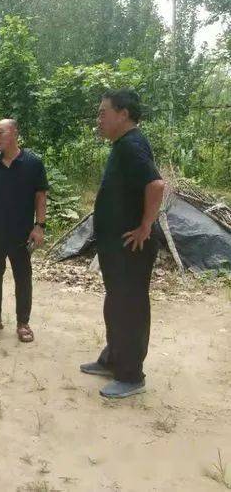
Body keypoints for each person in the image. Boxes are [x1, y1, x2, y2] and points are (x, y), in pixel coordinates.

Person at [80, 89, 165, 398]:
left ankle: (131, 376)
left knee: (130, 307)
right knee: (116, 302)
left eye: (103, 113)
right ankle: (113, 359)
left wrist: (146, 225)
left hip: (132, 246)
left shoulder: (132, 146)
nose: (98, 119)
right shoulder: (122, 145)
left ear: (123, 114)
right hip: (117, 245)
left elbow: (156, 185)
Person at [0, 119, 48, 343]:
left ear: (15, 132)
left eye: (0, 132)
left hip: (22, 233)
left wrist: (39, 226)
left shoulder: (33, 163)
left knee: (23, 278)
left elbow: (40, 196)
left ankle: (23, 322)